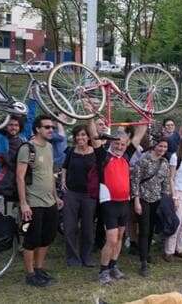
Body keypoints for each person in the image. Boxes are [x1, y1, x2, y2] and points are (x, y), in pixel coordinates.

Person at [17, 115, 63, 287]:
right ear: (37, 129)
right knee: (31, 239)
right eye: (47, 127)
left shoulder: (50, 147)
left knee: (47, 237)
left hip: (50, 202)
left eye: (52, 127)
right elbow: (20, 178)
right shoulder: (27, 148)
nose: (51, 130)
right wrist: (23, 204)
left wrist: (56, 196)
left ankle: (39, 269)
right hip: (33, 204)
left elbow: (50, 174)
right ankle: (30, 274)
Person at [61, 121, 105, 268]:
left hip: (89, 195)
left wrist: (90, 119)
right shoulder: (71, 151)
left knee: (87, 228)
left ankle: (86, 257)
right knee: (70, 227)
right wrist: (62, 181)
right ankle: (72, 258)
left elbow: (95, 136)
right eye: (78, 135)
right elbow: (64, 167)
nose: (80, 138)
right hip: (72, 194)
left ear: (88, 137)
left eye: (83, 135)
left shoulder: (96, 152)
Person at [131, 138, 171, 276]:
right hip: (142, 198)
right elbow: (135, 181)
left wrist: (166, 200)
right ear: (155, 146)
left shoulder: (165, 163)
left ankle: (146, 253)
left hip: (157, 200)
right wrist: (136, 200)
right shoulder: (143, 160)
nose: (162, 149)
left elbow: (165, 183)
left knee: (151, 229)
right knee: (144, 229)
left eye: (165, 147)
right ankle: (143, 262)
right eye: (160, 146)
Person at [98, 130, 133, 285]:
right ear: (111, 142)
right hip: (109, 202)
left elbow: (139, 133)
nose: (119, 146)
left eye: (122, 144)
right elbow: (95, 139)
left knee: (119, 237)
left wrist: (146, 116)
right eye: (116, 143)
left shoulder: (126, 156)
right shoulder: (104, 156)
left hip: (124, 202)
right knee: (111, 239)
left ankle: (113, 265)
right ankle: (103, 271)